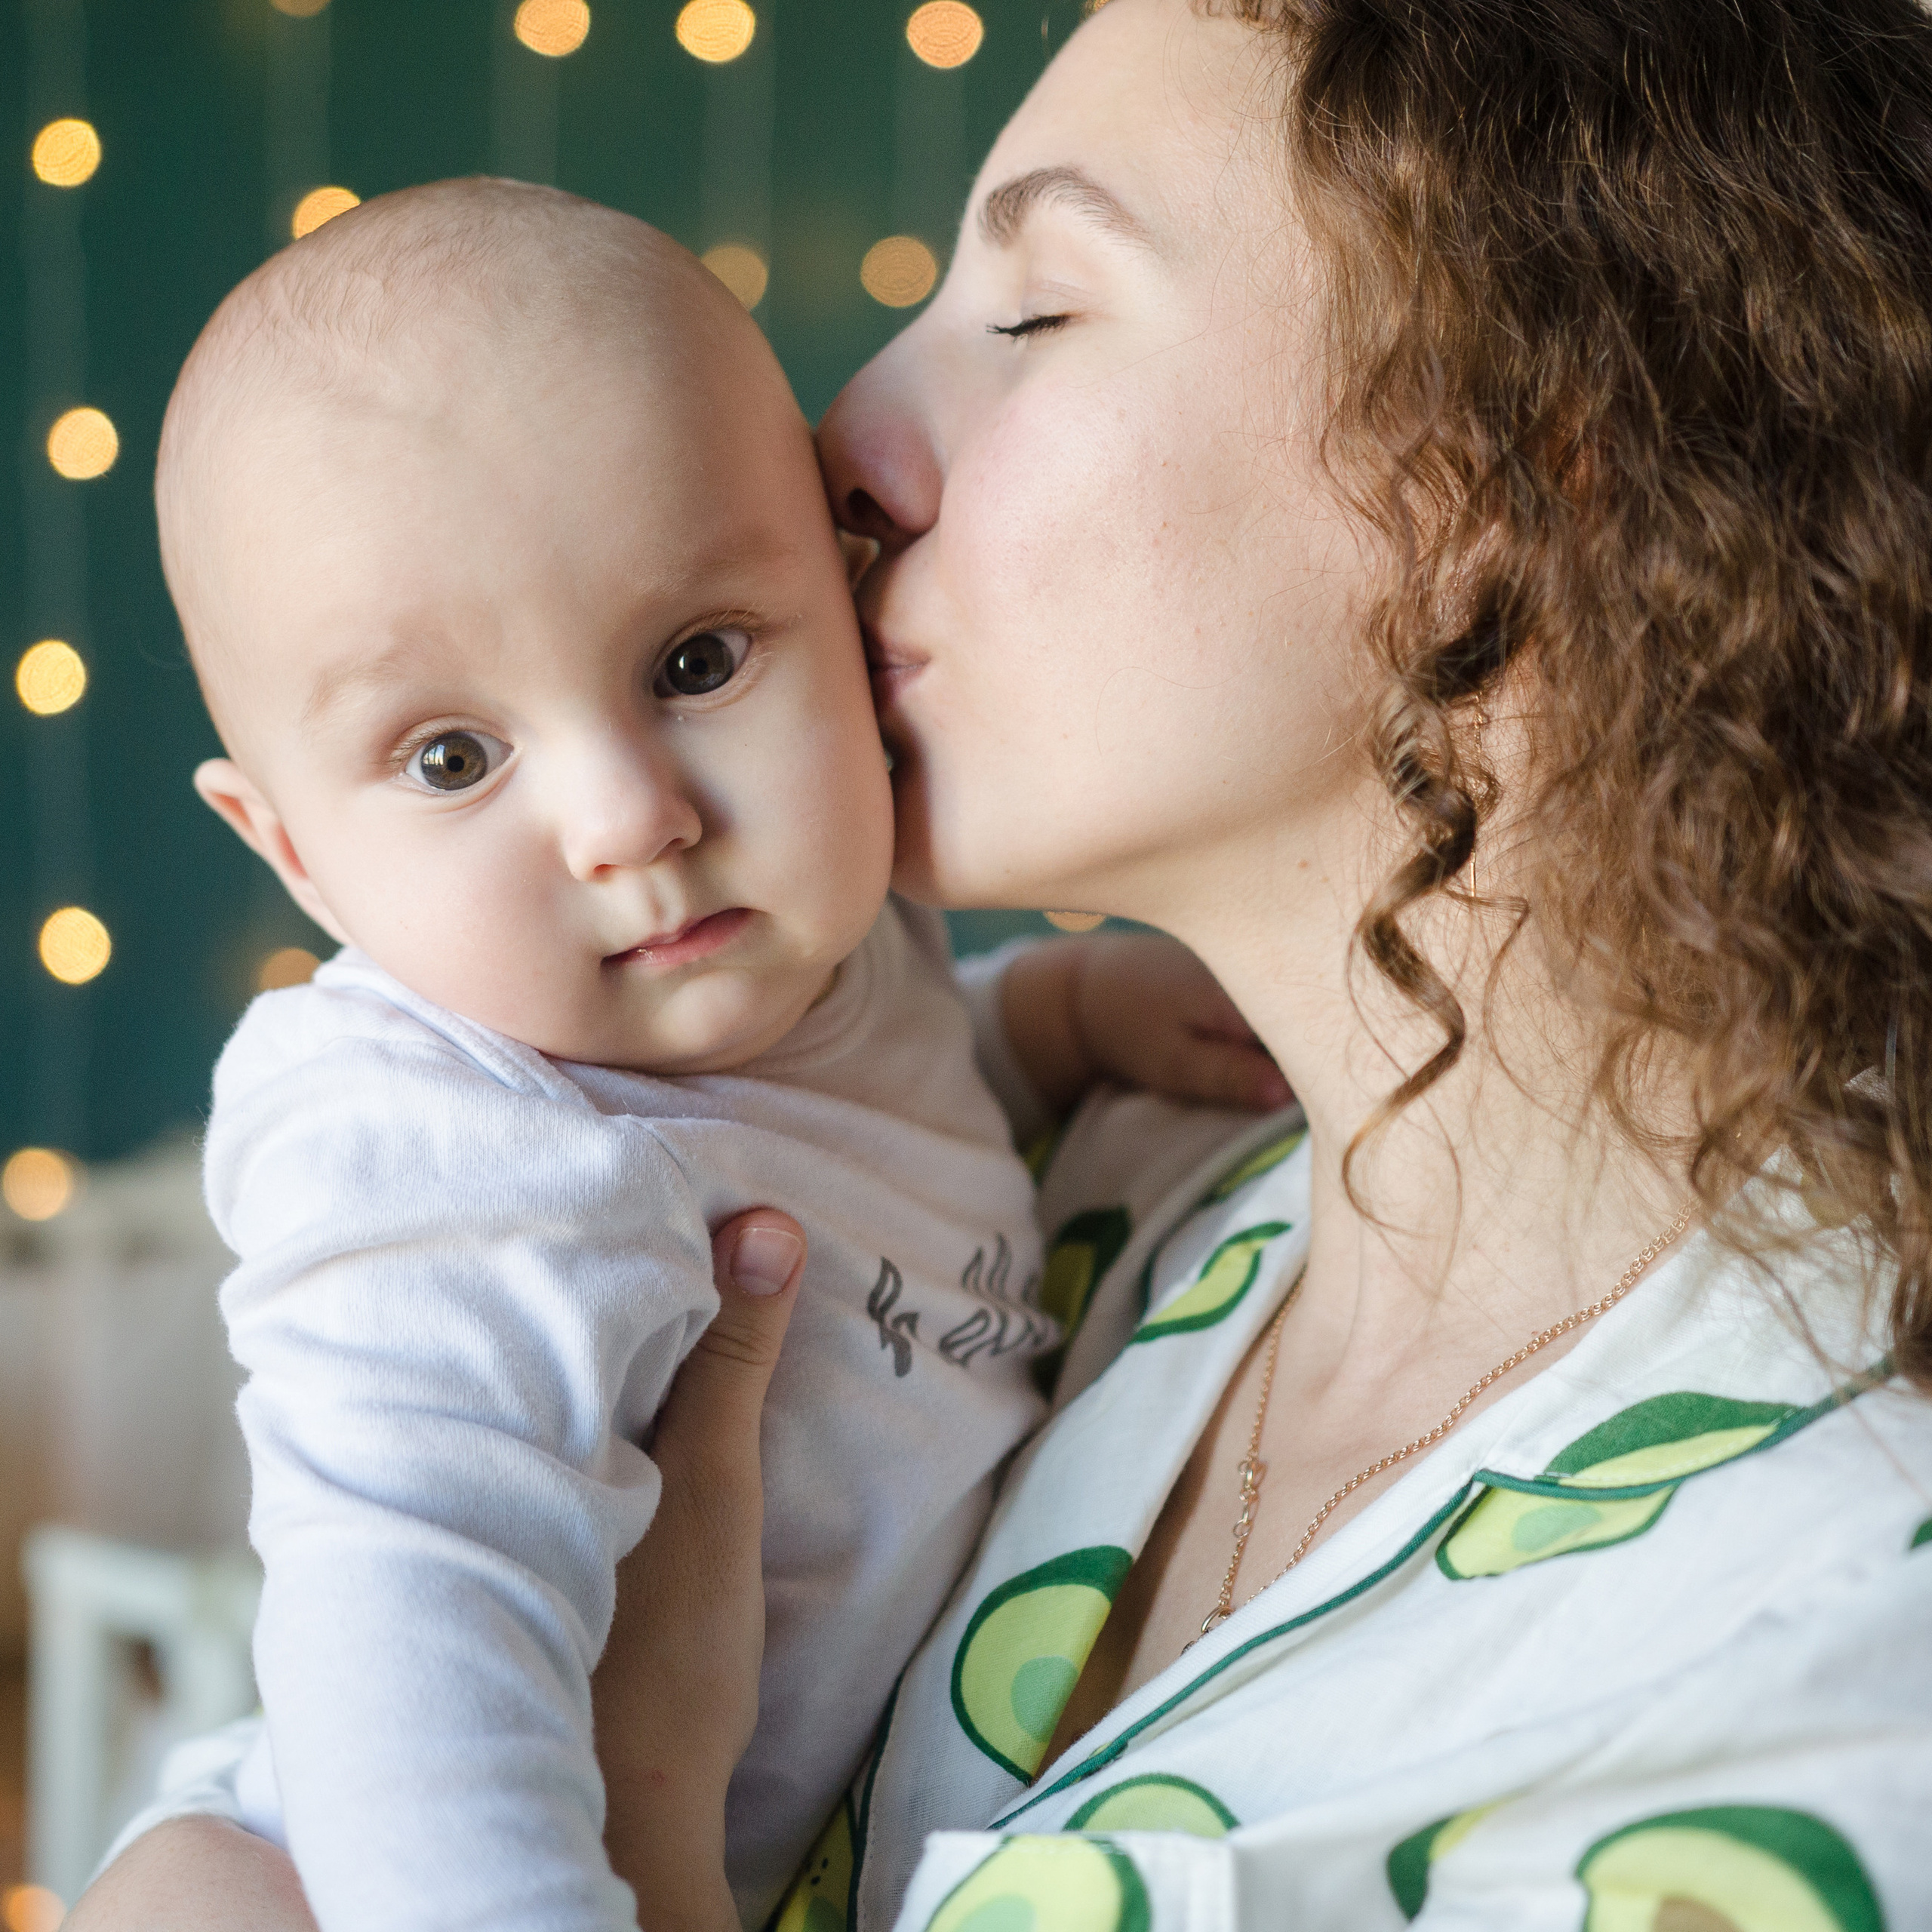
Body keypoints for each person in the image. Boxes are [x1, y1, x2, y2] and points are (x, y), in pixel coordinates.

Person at [76, 0, 1932, 1926]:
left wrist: (640, 1833)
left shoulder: (1820, 1666)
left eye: (1029, 310)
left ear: (1505, 461)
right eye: (454, 756)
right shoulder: (1133, 1184)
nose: (848, 448)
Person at [91, 178, 1282, 1932]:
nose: (629, 814)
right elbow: (410, 1640)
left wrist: (1066, 1018)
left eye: (696, 658)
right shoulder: (449, 1137)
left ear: (845, 592)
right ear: (293, 856)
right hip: (388, 1860)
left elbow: (893, 1090)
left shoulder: (836, 945)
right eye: (448, 759)